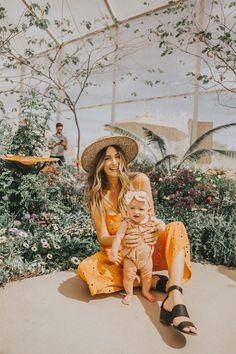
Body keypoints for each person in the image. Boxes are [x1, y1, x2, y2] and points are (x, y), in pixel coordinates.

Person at [77, 136, 197, 335]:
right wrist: (121, 239)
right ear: (100, 163)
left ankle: (174, 295)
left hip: (148, 250)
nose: (114, 162)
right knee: (85, 270)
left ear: (123, 159)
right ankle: (149, 281)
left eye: (117, 156)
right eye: (107, 158)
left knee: (176, 227)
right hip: (122, 256)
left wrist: (153, 233)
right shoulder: (97, 196)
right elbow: (102, 237)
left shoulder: (139, 180)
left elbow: (151, 218)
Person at [109, 190, 166, 305]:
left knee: (147, 276)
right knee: (128, 277)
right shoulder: (126, 223)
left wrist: (161, 227)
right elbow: (118, 237)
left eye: (141, 209)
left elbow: (162, 225)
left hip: (147, 258)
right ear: (127, 209)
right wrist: (114, 251)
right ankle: (129, 293)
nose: (136, 212)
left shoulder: (151, 220)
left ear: (148, 210)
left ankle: (145, 291)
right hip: (130, 257)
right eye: (132, 208)